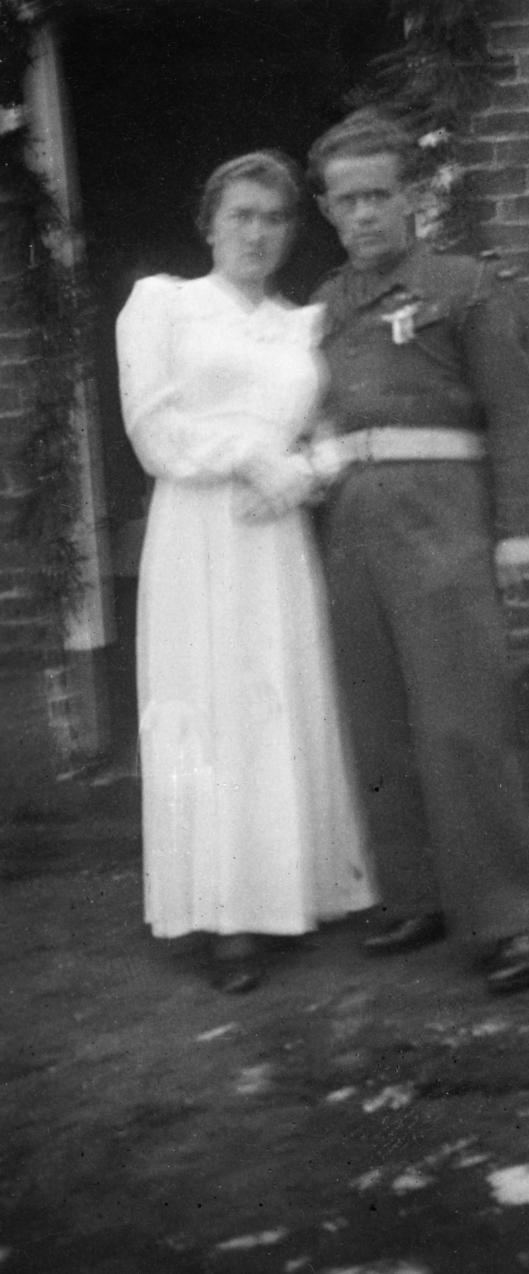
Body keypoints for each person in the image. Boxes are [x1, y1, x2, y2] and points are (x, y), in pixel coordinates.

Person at [307, 109, 529, 995]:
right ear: (328, 210)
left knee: (461, 722)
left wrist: (518, 526)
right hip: (351, 525)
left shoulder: (464, 286)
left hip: (442, 521)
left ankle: (512, 916)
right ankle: (414, 895)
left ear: (410, 196)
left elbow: (519, 410)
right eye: (347, 201)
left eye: (378, 195)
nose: (364, 214)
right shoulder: (325, 307)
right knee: (376, 720)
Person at [116, 151, 374, 993]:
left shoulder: (302, 326)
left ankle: (287, 895)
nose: (258, 233)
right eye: (242, 216)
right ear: (209, 224)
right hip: (200, 530)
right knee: (213, 706)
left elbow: (333, 431)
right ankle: (226, 918)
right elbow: (153, 430)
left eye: (274, 218)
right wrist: (252, 460)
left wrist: (305, 473)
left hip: (277, 536)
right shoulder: (164, 305)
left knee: (279, 703)